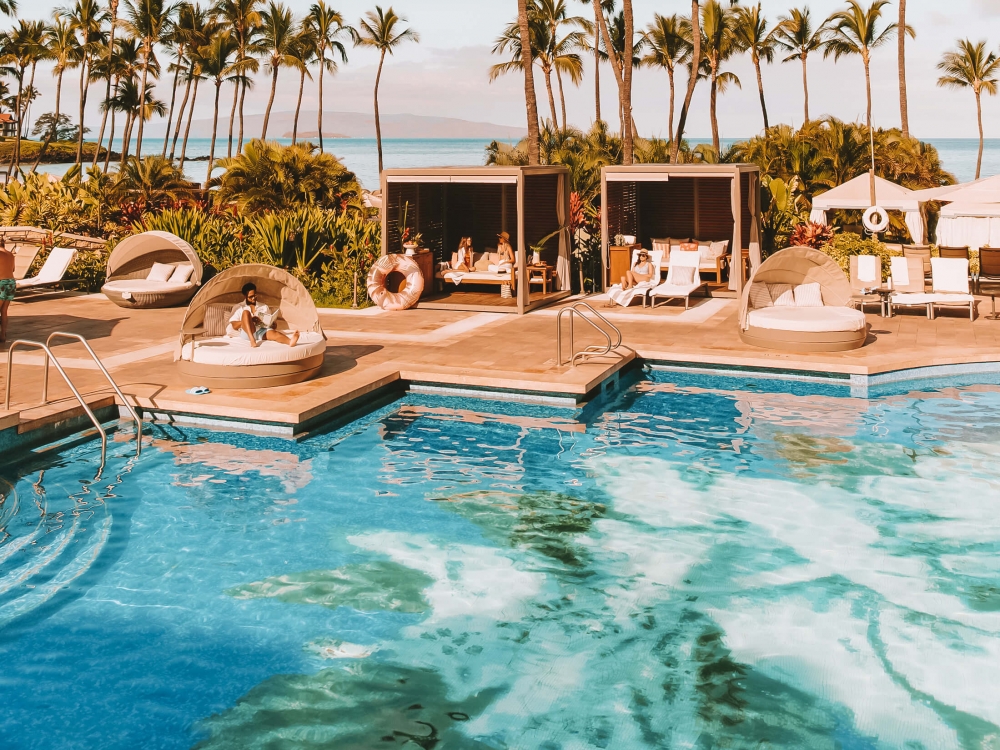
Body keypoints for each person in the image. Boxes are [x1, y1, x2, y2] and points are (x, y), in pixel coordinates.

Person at [229, 282, 299, 348]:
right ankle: (252, 340)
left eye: (255, 295)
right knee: (246, 312)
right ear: (245, 296)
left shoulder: (264, 306)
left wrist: (272, 324)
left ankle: (290, 341)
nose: (253, 298)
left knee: (275, 334)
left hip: (261, 330)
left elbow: (269, 322)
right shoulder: (239, 307)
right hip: (247, 333)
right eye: (251, 297)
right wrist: (248, 320)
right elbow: (234, 325)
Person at [0, 238, 14, 344]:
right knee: (4, 311)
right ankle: (3, 334)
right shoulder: (10, 254)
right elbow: (13, 269)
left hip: (1, 283)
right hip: (11, 283)